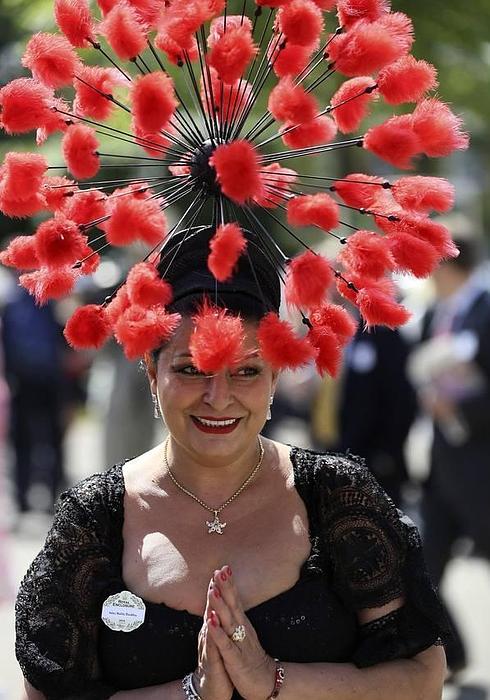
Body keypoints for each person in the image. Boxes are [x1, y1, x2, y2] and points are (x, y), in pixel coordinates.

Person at [15, 227, 448, 700]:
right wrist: (191, 693)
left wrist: (273, 680)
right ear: (151, 371)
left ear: (276, 376)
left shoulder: (336, 496)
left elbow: (421, 676)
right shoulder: (95, 518)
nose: (218, 398)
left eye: (246, 371)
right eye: (190, 369)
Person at [412, 237, 490, 673]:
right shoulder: (433, 315)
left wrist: (463, 408)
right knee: (422, 562)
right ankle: (455, 654)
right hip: (442, 468)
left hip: (483, 465)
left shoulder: (486, 310)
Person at [313, 322, 417, 506]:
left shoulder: (382, 332)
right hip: (331, 453)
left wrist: (387, 453)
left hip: (373, 461)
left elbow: (401, 397)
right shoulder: (324, 331)